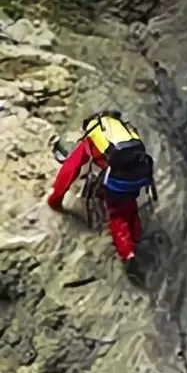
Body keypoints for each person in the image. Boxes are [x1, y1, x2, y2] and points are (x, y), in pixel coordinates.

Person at [47, 110, 157, 265]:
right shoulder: (123, 132)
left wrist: (55, 199)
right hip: (140, 172)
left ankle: (128, 255)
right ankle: (138, 237)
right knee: (129, 207)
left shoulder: (93, 138)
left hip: (120, 179)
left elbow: (70, 170)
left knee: (118, 217)